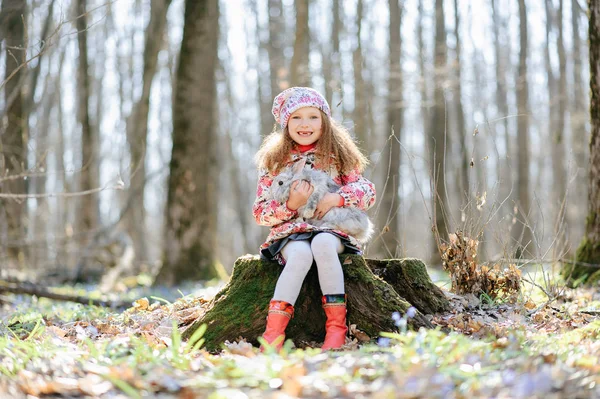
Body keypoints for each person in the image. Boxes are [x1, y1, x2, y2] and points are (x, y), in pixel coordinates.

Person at [253, 87, 376, 350]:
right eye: (296, 117)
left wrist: (337, 198)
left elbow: (367, 192)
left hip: (331, 230)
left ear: (325, 121)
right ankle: (273, 333)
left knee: (321, 244)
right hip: (292, 233)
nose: (305, 124)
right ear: (286, 124)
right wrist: (290, 205)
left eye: (313, 117)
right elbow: (260, 212)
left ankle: (336, 329)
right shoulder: (275, 162)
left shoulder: (339, 156)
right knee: (300, 255)